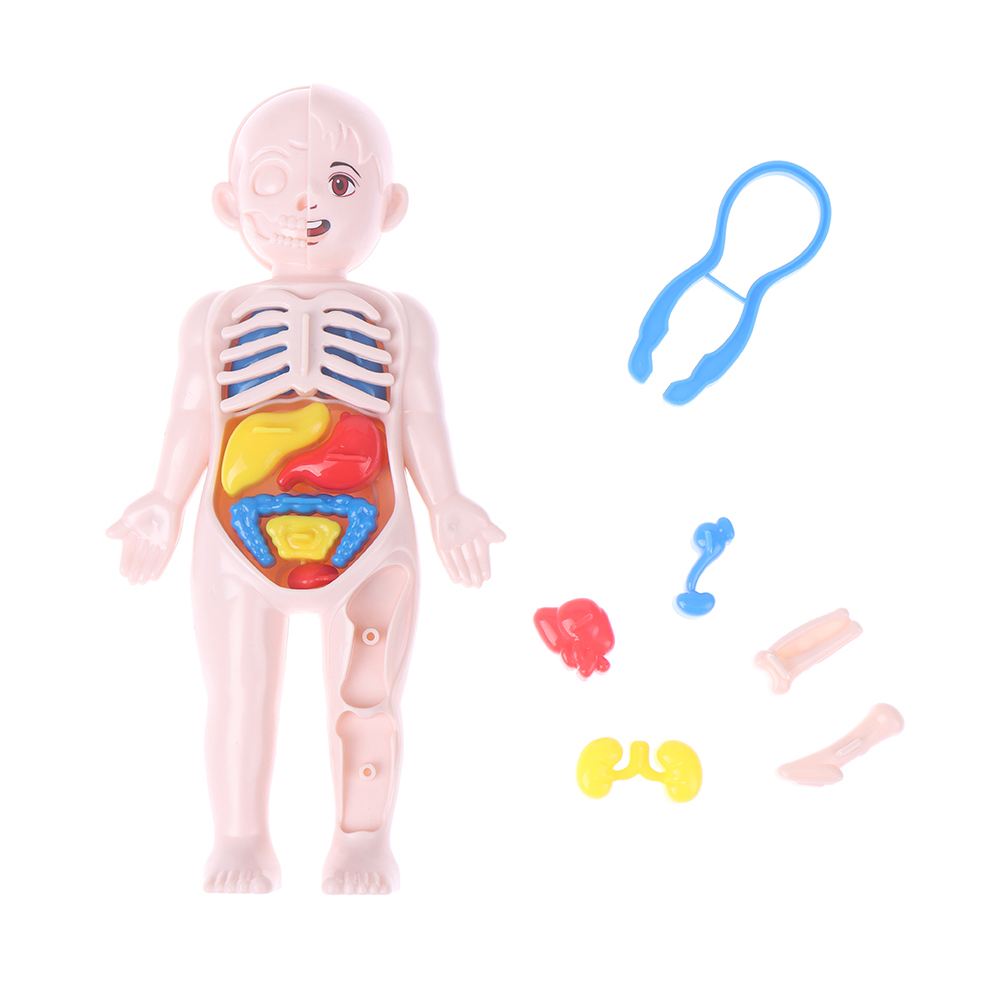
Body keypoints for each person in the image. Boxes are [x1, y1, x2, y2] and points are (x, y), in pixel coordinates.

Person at [108, 85, 504, 894]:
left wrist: (449, 503)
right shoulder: (214, 315)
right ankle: (240, 838)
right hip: (233, 531)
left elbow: (422, 416)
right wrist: (162, 501)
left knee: (367, 703)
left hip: (373, 531)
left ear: (389, 207)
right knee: (237, 692)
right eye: (273, 180)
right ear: (230, 204)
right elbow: (193, 414)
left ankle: (361, 846)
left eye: (341, 183)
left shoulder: (400, 316)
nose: (304, 202)